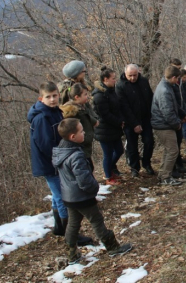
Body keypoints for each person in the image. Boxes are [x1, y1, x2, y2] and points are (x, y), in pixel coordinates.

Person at [52, 118, 132, 264]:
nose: (84, 133)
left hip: (68, 197)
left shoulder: (60, 151)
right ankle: (113, 247)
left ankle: (72, 253)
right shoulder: (76, 155)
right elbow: (84, 180)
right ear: (73, 137)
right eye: (81, 131)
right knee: (97, 221)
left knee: (73, 224)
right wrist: (93, 189)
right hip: (82, 197)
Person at [27, 81, 92, 246]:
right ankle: (71, 233)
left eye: (55, 95)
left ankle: (58, 227)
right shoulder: (41, 117)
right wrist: (60, 160)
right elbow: (45, 144)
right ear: (41, 98)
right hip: (51, 162)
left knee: (57, 195)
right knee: (62, 197)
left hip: (57, 159)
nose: (52, 99)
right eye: (48, 97)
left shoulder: (55, 111)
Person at [115, 64, 155, 177]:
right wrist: (134, 124)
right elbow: (124, 107)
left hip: (145, 118)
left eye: (135, 75)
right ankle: (134, 167)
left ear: (138, 73)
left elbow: (150, 98)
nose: (133, 78)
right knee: (132, 146)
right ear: (125, 74)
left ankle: (146, 163)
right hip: (130, 121)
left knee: (149, 142)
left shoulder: (143, 81)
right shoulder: (120, 86)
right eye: (130, 75)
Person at [151, 66, 186, 186]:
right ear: (174, 77)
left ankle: (163, 174)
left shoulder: (166, 86)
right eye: (177, 79)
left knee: (168, 150)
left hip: (164, 124)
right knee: (173, 151)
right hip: (163, 125)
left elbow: (174, 105)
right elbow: (167, 112)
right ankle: (166, 177)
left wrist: (181, 114)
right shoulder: (164, 90)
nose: (178, 81)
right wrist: (177, 124)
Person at [92, 67, 125, 185]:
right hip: (104, 130)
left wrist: (121, 119)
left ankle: (110, 170)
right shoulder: (99, 96)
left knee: (119, 150)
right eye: (113, 78)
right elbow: (105, 115)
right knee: (108, 153)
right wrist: (118, 121)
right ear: (105, 79)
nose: (115, 80)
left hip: (114, 128)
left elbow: (117, 107)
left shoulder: (111, 91)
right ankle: (108, 177)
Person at [60, 83, 99, 171]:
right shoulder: (71, 112)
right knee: (86, 169)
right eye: (85, 94)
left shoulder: (83, 107)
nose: (88, 96)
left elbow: (92, 119)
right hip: (79, 146)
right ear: (77, 97)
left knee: (89, 168)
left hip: (85, 144)